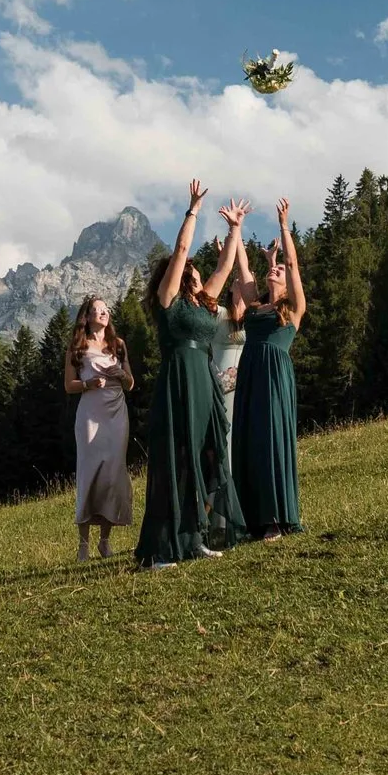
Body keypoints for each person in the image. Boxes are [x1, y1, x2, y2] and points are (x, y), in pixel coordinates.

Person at [133, 182, 246, 568]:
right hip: (178, 381)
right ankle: (161, 549)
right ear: (180, 277)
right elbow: (181, 250)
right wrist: (193, 210)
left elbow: (226, 267)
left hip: (204, 381)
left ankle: (194, 537)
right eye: (192, 273)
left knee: (202, 455)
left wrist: (235, 229)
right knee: (176, 460)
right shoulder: (168, 302)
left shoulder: (204, 304)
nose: (198, 275)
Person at [226, 198, 305, 540]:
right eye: (273, 269)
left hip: (275, 376)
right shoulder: (255, 304)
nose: (274, 270)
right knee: (249, 439)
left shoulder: (293, 310)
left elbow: (293, 262)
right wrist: (236, 228)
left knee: (271, 438)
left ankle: (275, 518)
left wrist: (284, 224)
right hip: (250, 374)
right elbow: (244, 272)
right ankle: (253, 519)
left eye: (279, 271)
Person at [65, 296, 135, 559]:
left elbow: (130, 384)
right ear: (87, 316)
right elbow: (68, 386)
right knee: (89, 472)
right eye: (97, 310)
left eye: (106, 309)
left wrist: (121, 375)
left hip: (117, 412)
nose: (103, 313)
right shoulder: (77, 348)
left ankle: (105, 541)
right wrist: (88, 384)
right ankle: (83, 544)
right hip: (90, 413)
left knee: (113, 473)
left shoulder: (118, 345)